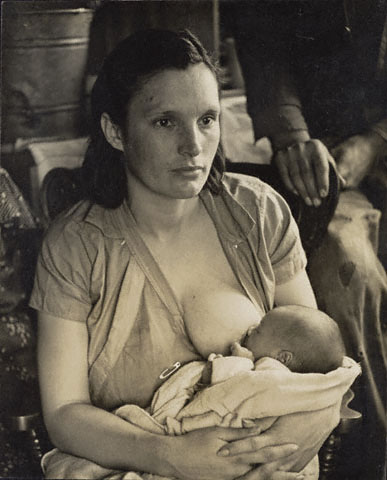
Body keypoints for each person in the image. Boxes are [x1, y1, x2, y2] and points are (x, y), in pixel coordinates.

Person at [30, 29, 355, 480]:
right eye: (165, 121)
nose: (194, 145)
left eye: (206, 119)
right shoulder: (76, 247)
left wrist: (275, 453)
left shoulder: (257, 212)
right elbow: (64, 412)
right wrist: (169, 456)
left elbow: (319, 374)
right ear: (115, 130)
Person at [224, 2, 387, 477]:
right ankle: (365, 456)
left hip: (375, 150)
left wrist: (376, 142)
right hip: (328, 165)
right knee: (345, 267)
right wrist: (293, 139)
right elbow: (264, 47)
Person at [229, 305, 346, 374]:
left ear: (283, 358)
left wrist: (241, 362)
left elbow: (244, 387)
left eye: (258, 331)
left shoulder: (275, 377)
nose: (250, 330)